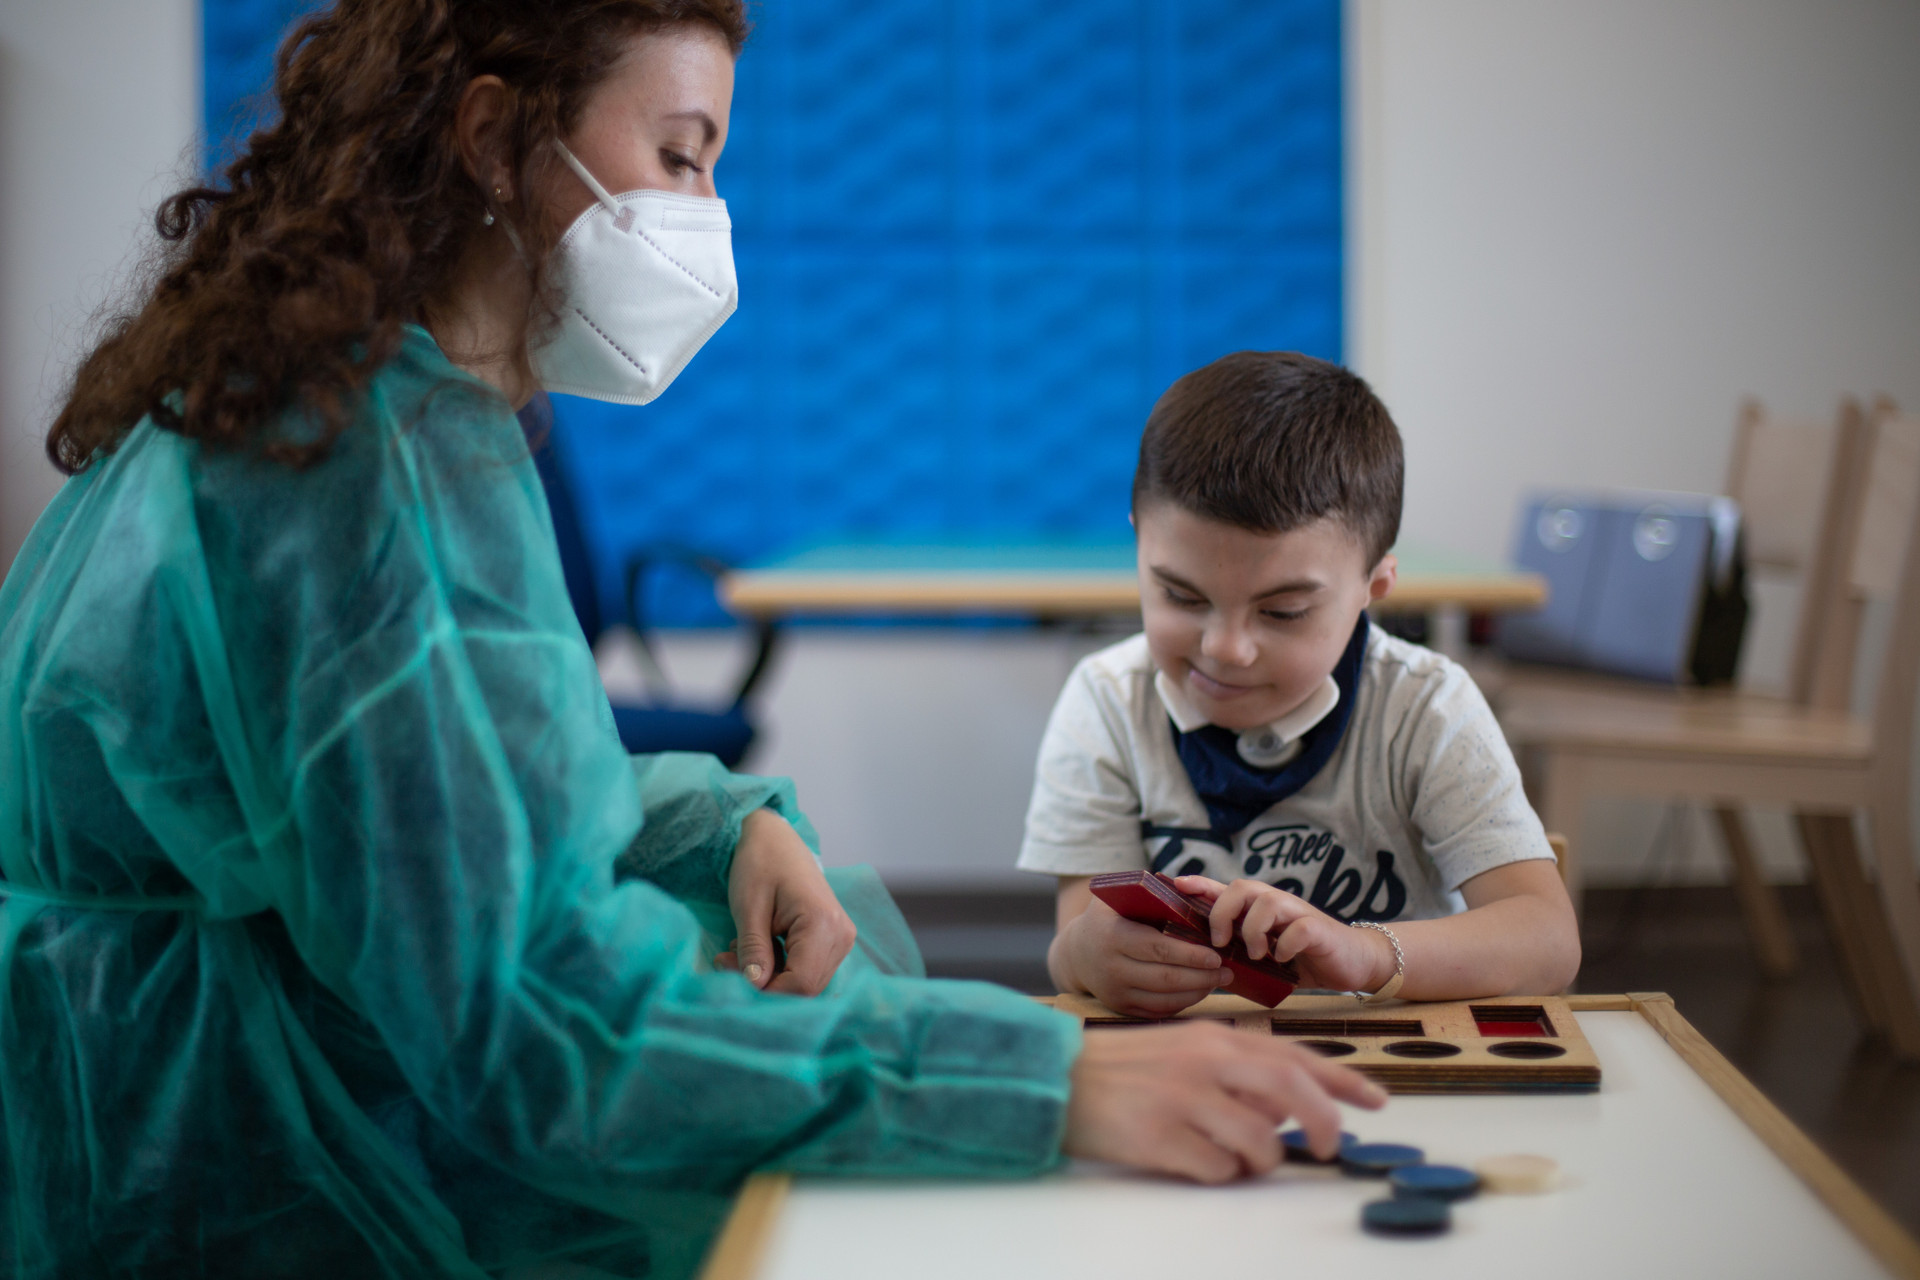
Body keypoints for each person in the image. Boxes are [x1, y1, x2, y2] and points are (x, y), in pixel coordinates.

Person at [0, 4, 1384, 1276]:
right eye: (680, 155)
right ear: (492, 137)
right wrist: (1044, 1080)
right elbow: (536, 1021)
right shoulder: (366, 466)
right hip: (221, 1147)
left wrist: (713, 826)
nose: (707, 213)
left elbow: (442, 806)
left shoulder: (323, 403)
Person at [1021, 351, 1582, 1019]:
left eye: (1283, 611)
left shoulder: (1427, 708)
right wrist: (1086, 957)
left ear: (1372, 589)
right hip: (1191, 1067)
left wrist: (1367, 954)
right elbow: (1073, 937)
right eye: (1180, 594)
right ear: (1139, 543)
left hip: (1392, 1068)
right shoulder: (1107, 702)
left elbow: (1547, 939)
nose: (1226, 648)